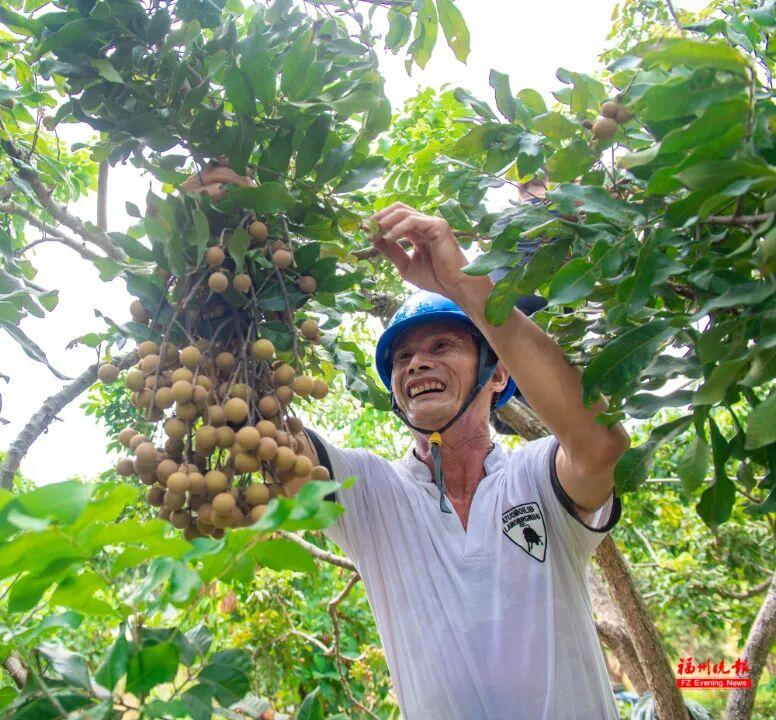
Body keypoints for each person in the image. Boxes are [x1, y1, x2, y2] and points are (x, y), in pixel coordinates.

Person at [184, 166, 630, 719]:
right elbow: (254, 429)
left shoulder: (538, 475)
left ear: (497, 376)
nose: (418, 362)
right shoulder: (371, 492)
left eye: (444, 345)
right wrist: (220, 249)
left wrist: (465, 285)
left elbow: (600, 444)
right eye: (402, 358)